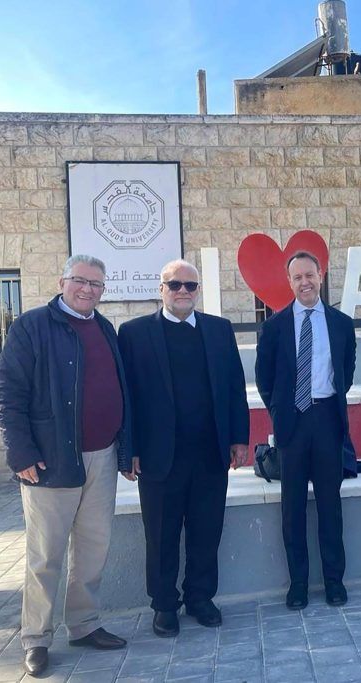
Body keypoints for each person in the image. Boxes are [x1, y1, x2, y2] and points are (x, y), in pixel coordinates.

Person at [0, 255, 133, 677]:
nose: (88, 289)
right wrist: (19, 453)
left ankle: (84, 624)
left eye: (96, 284)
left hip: (102, 457)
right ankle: (36, 637)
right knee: (45, 555)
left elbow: (119, 391)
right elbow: (8, 394)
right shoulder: (32, 327)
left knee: (93, 549)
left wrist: (124, 450)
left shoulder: (105, 328)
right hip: (51, 461)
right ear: (62, 281)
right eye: (80, 281)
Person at [117, 259, 250, 637]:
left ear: (197, 291)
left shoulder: (219, 330)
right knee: (160, 535)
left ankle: (200, 597)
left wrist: (239, 438)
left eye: (190, 286)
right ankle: (163, 605)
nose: (182, 292)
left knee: (207, 531)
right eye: (174, 285)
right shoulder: (134, 333)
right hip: (159, 457)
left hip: (210, 453)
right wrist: (130, 450)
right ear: (161, 288)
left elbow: (234, 388)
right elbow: (128, 399)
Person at [254, 251, 356, 610]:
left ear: (320, 274)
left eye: (309, 275)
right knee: (292, 507)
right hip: (292, 426)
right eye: (297, 277)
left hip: (328, 421)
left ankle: (334, 582)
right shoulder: (274, 326)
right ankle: (298, 584)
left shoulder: (342, 324)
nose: (304, 282)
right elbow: (264, 378)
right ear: (290, 282)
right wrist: (282, 411)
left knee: (331, 506)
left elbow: (346, 371)